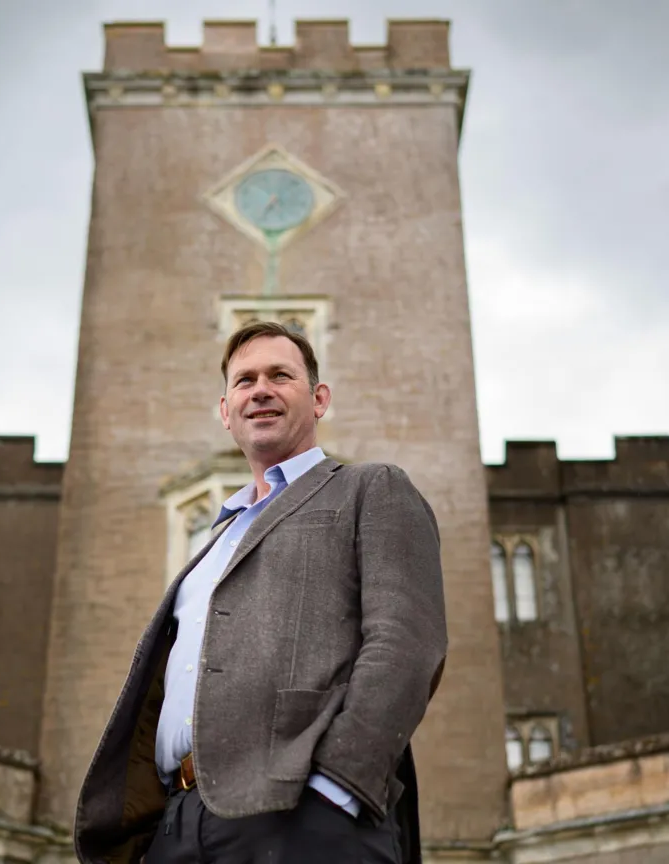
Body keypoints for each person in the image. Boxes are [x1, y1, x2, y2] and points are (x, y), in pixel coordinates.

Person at [74, 321, 448, 864]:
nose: (261, 389)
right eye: (245, 380)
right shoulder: (217, 539)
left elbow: (407, 642)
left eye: (280, 375)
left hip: (300, 815)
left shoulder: (370, 489)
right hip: (177, 825)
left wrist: (336, 786)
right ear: (227, 412)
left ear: (319, 399)